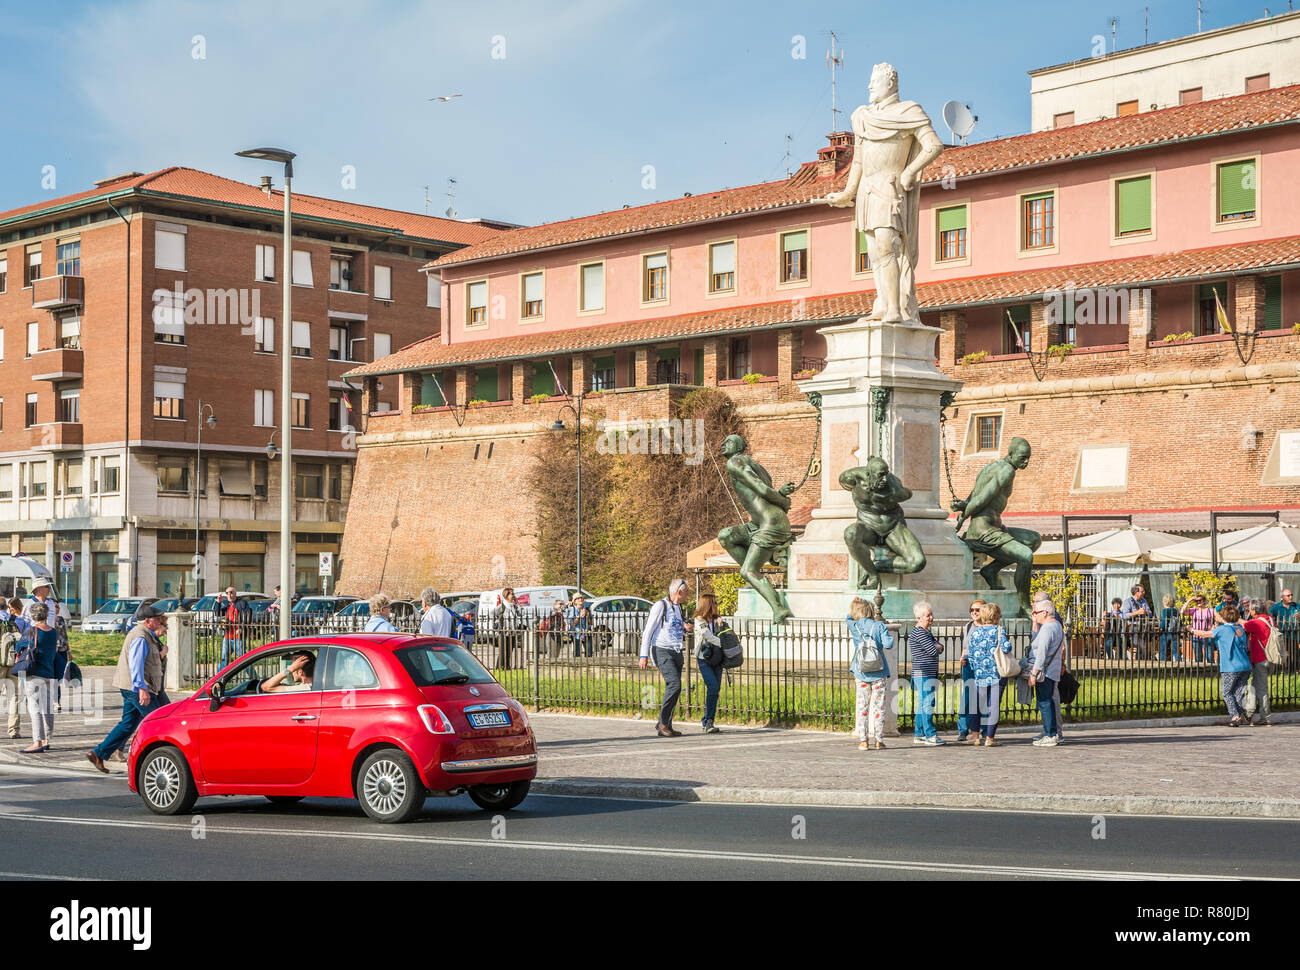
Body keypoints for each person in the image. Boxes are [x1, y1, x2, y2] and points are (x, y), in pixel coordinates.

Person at [86, 604, 169, 772]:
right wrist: (142, 689)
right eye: (157, 619)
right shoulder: (140, 637)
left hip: (133, 687)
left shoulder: (146, 635)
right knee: (158, 722)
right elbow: (135, 665)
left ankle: (99, 753)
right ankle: (154, 759)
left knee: (128, 724)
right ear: (147, 621)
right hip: (137, 688)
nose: (160, 621)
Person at [638, 578, 693, 737]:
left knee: (674, 689)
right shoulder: (660, 605)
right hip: (661, 649)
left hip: (676, 650)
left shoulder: (678, 608)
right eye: (687, 591)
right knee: (674, 684)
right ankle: (662, 723)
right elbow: (648, 631)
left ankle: (666, 725)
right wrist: (644, 655)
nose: (688, 594)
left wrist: (685, 630)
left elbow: (675, 629)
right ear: (679, 591)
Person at [1190, 604, 1251, 727]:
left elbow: (1205, 634)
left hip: (1230, 666)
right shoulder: (1240, 628)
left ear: (1224, 616)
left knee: (1226, 692)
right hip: (1245, 665)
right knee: (1239, 692)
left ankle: (1234, 715)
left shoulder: (1222, 630)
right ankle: (1238, 715)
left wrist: (1190, 629)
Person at [964, 602, 1013, 746]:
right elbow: (1006, 647)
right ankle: (990, 738)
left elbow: (970, 654)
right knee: (993, 706)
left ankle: (975, 735)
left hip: (980, 674)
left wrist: (975, 667)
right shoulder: (998, 631)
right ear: (997, 617)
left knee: (977, 705)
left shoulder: (975, 632)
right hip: (997, 674)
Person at [16, 602, 63, 753]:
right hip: (49, 673)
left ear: (33, 615)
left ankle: (37, 742)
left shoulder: (31, 630)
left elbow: (19, 647)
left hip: (34, 672)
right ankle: (46, 739)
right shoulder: (53, 632)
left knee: (34, 707)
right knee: (47, 707)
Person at [848, 597, 893, 750]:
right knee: (878, 707)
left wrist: (855, 603)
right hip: (879, 672)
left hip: (861, 671)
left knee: (862, 707)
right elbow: (889, 644)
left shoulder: (854, 626)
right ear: (871, 611)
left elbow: (847, 618)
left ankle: (863, 741)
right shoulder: (878, 626)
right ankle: (879, 740)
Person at [1027, 600, 1066, 747]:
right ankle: (1052, 732)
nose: (1034, 614)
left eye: (1035, 612)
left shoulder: (1047, 628)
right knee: (1048, 701)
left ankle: (1051, 734)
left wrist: (1033, 673)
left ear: (1044, 613)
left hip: (1045, 671)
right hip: (1053, 670)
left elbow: (1041, 654)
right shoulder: (1057, 626)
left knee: (1044, 702)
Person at [908, 601, 944, 745]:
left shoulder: (926, 632)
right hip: (923, 673)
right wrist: (937, 647)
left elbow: (939, 647)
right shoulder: (920, 633)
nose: (931, 617)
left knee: (923, 703)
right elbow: (934, 650)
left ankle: (919, 733)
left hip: (927, 672)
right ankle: (930, 735)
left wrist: (938, 647)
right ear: (919, 618)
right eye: (928, 615)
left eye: (931, 614)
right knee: (927, 703)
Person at [692, 593, 727, 734]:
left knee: (716, 689)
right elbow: (707, 634)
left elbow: (722, 633)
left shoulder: (716, 619)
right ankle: (708, 722)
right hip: (704, 658)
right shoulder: (699, 619)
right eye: (715, 602)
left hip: (717, 658)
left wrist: (720, 625)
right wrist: (723, 644)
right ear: (708, 605)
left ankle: (707, 720)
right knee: (712, 687)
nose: (717, 605)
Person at [955, 599, 986, 744]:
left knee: (983, 697)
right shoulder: (968, 626)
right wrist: (962, 657)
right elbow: (965, 646)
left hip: (983, 665)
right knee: (967, 697)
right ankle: (963, 729)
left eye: (977, 610)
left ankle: (984, 729)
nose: (974, 612)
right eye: (972, 610)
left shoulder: (989, 627)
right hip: (968, 664)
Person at [1241, 599, 1273, 727]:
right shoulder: (1269, 620)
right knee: (1254, 685)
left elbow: (1245, 625)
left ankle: (1266, 717)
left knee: (1261, 689)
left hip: (1260, 659)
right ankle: (1248, 713)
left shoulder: (1256, 622)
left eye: (1250, 609)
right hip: (1269, 658)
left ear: (1254, 611)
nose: (1249, 611)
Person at [1, 600, 24, 739]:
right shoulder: (17, 621)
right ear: (7, 607)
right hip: (14, 663)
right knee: (15, 697)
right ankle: (14, 730)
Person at [214, 587, 250, 667]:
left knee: (243, 660)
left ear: (235, 593)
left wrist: (241, 628)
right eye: (227, 593)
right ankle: (220, 678)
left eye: (231, 592)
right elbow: (217, 613)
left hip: (238, 637)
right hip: (227, 636)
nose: (229, 595)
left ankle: (253, 677)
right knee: (223, 659)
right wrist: (218, 602)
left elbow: (247, 616)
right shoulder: (227, 605)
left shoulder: (242, 603)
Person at [494, 588, 524, 668]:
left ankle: (507, 666)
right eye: (512, 594)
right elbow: (492, 614)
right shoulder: (502, 606)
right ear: (506, 595)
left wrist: (517, 603)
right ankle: (499, 666)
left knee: (510, 650)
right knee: (503, 651)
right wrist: (497, 624)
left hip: (512, 631)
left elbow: (521, 614)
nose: (513, 595)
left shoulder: (514, 606)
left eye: (513, 594)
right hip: (503, 631)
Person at [1182, 594, 1216, 662]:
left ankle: (1211, 671)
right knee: (1198, 658)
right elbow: (1182, 611)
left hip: (1207, 636)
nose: (1198, 602)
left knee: (1209, 656)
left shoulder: (1210, 610)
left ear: (1204, 601)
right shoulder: (1194, 610)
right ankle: (1199, 672)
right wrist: (1190, 599)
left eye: (1200, 600)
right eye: (1196, 601)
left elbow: (1217, 619)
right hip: (1196, 636)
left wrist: (1214, 627)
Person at [1122, 584, 1152, 659]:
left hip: (1144, 626)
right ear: (1136, 592)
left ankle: (1143, 658)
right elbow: (1124, 615)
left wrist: (1145, 612)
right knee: (1141, 643)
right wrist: (1137, 612)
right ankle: (1142, 658)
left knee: (1149, 638)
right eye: (1142, 591)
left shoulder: (1144, 601)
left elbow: (1150, 613)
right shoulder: (1128, 601)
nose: (1144, 592)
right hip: (1133, 626)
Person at [1158, 594, 1181, 661]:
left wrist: (1161, 628)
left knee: (1163, 650)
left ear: (1165, 602)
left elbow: (1164, 621)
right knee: (1176, 650)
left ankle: (1163, 663)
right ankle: (1179, 662)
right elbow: (1179, 621)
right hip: (1175, 632)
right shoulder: (1176, 611)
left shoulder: (1165, 610)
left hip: (1166, 632)